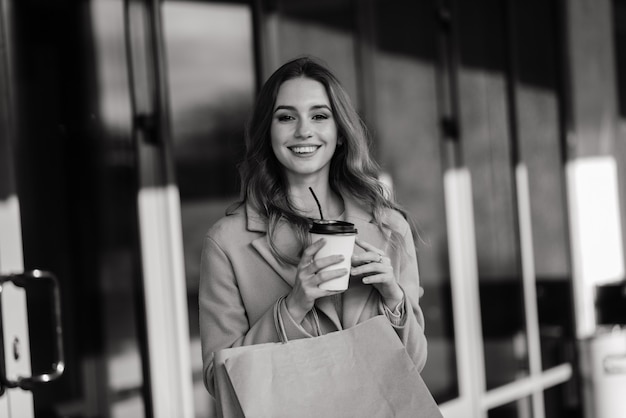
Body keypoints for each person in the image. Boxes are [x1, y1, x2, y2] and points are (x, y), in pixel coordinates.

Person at [199, 56, 427, 396]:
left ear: (339, 134)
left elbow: (414, 364)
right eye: (286, 117)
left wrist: (394, 300)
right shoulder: (226, 243)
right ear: (268, 133)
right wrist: (292, 307)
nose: (303, 130)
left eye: (319, 116)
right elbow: (219, 380)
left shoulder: (389, 227)